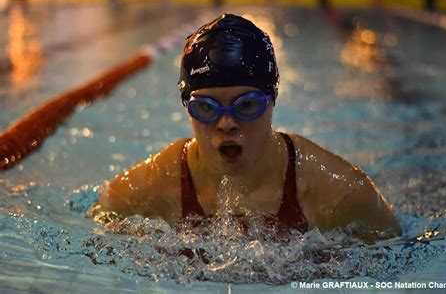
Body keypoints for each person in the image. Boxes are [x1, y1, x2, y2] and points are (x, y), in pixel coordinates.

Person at [91, 14, 401, 239]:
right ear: (187, 107)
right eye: (206, 108)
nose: (226, 123)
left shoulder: (339, 192)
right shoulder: (143, 190)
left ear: (273, 100)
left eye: (247, 105)